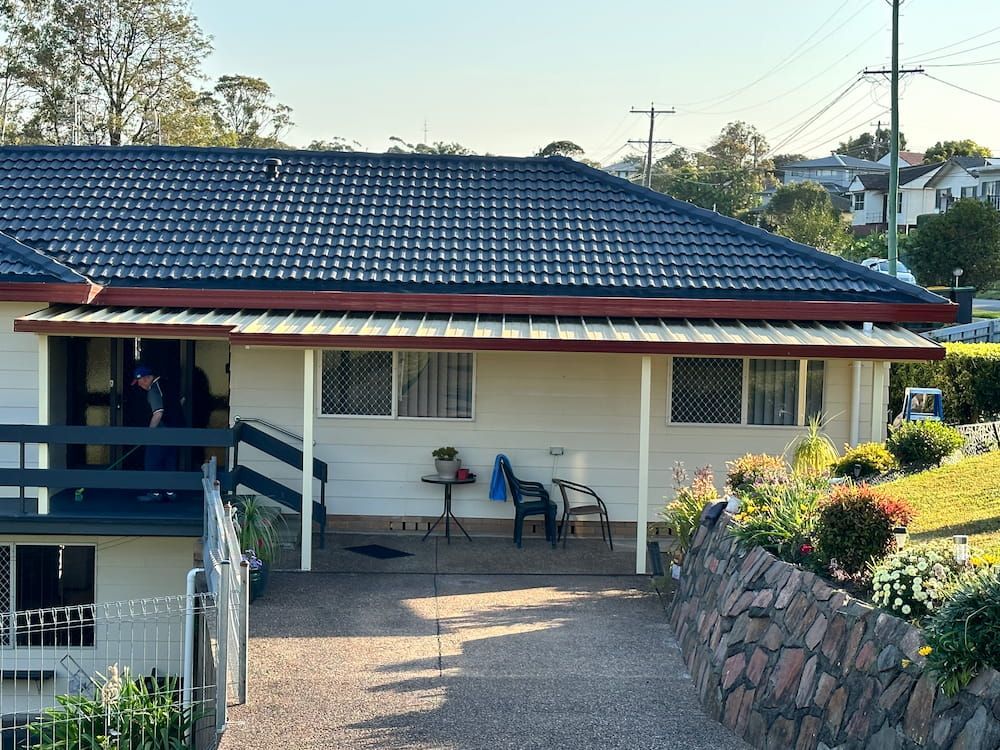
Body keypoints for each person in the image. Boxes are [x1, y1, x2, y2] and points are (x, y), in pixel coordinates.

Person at [132, 364, 178, 502]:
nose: (140, 386)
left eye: (139, 382)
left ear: (145, 379)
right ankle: (170, 492)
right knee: (169, 461)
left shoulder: (153, 390)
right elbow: (181, 400)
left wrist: (150, 434)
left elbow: (158, 413)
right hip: (176, 431)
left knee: (152, 461)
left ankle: (155, 493)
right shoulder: (167, 384)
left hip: (161, 432)